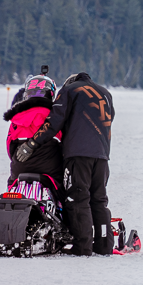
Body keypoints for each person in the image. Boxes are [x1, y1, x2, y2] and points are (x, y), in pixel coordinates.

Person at [16, 72, 115, 256]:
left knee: (77, 199)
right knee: (99, 200)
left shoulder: (69, 90)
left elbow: (54, 121)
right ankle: (104, 246)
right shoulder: (105, 93)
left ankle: (82, 247)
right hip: (102, 155)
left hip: (78, 155)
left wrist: (31, 144)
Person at [5, 70, 63, 190]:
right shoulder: (55, 117)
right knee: (62, 187)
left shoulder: (17, 117)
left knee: (12, 183)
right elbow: (64, 143)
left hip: (21, 166)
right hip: (50, 168)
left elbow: (10, 146)